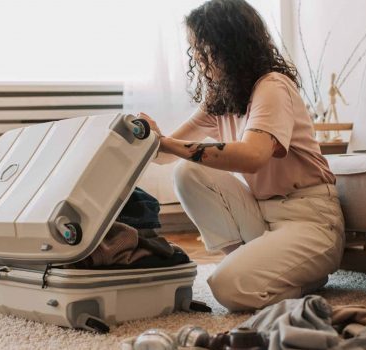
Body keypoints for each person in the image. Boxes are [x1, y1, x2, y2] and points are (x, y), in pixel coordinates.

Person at [137, 0, 344, 312]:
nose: (197, 57)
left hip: (310, 218)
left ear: (229, 45)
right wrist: (142, 138)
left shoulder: (273, 85)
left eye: (202, 47)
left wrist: (167, 144)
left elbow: (253, 155)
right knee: (187, 172)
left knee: (229, 289)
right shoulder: (221, 101)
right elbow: (165, 155)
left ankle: (300, 280)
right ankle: (253, 265)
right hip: (261, 215)